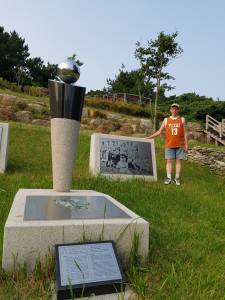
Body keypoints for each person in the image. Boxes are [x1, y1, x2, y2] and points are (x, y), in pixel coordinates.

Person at [146, 103, 188, 185]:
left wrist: (186, 144)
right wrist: (149, 137)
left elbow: (185, 132)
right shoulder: (166, 120)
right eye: (173, 108)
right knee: (169, 161)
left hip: (180, 144)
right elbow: (159, 131)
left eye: (176, 108)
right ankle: (169, 178)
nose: (174, 110)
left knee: (178, 161)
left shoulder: (182, 119)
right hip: (169, 144)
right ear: (170, 110)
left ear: (178, 110)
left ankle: (177, 178)